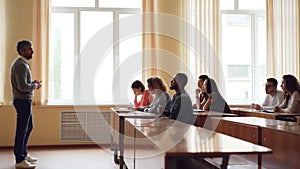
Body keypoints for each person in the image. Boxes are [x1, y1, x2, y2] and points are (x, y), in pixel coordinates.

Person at [10, 40, 41, 169]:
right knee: (22, 130)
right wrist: (35, 85)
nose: (32, 51)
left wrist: (31, 82)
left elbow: (23, 83)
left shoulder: (22, 64)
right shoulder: (21, 65)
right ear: (22, 51)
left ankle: (23, 153)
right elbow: (23, 87)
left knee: (28, 127)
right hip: (22, 101)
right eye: (29, 49)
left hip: (24, 100)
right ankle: (19, 160)